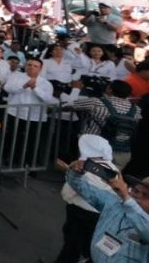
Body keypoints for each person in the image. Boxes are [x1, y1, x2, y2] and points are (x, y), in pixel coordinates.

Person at [64, 160, 149, 262]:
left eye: (145, 195)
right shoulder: (114, 202)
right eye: (135, 190)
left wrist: (126, 196)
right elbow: (81, 187)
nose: (137, 195)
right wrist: (76, 172)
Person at [52, 135, 118, 263]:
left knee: (73, 245)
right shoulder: (99, 164)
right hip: (81, 210)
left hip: (85, 212)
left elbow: (88, 188)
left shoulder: (100, 167)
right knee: (73, 241)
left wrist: (67, 169)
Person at [68, 80, 142, 168]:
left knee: (86, 175)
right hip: (121, 150)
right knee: (110, 179)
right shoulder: (136, 109)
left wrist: (76, 89)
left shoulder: (96, 102)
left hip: (94, 146)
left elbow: (70, 104)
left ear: (110, 90)